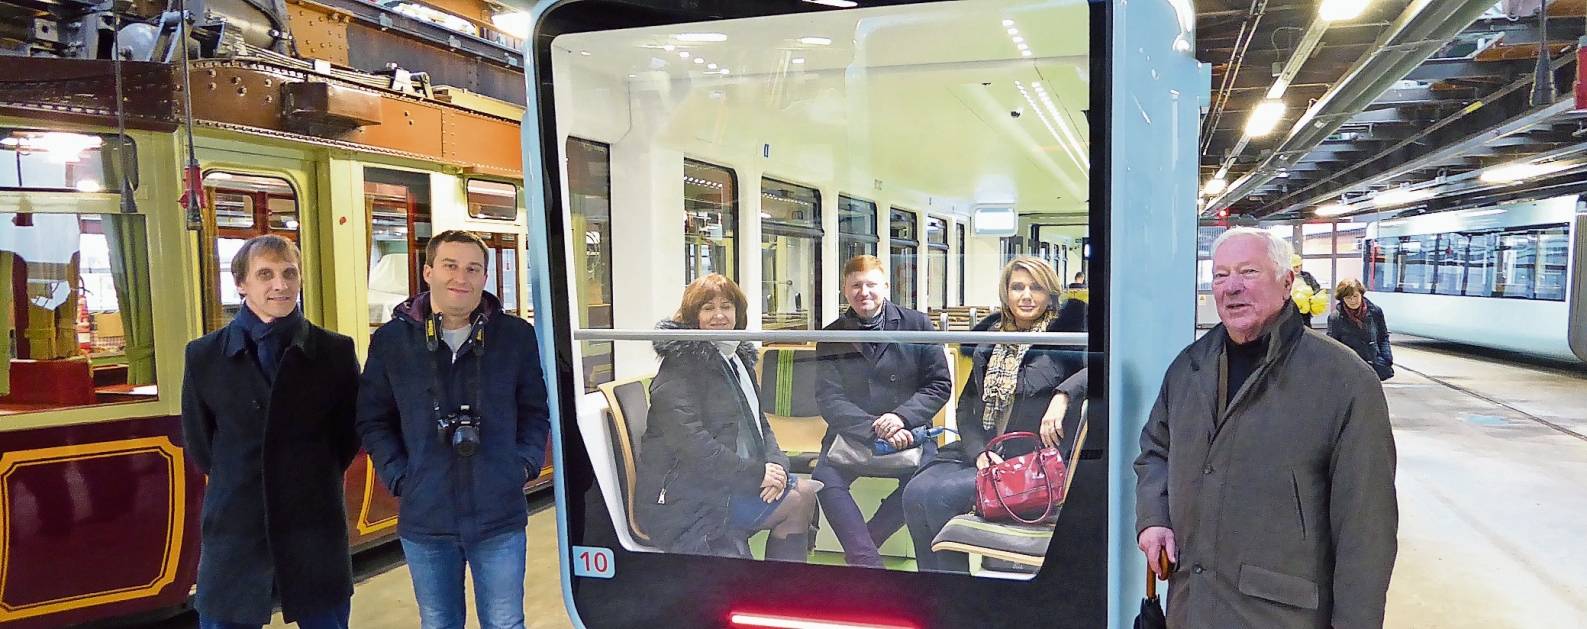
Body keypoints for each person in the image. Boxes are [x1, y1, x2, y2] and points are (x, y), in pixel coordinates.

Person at [1135, 227, 1397, 628]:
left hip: (1279, 617)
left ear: (1287, 282)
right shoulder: (1189, 368)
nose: (1232, 287)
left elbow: (1367, 532)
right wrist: (1154, 517)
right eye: (1221, 275)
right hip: (1191, 607)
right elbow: (1156, 450)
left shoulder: (1343, 381)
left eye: (1248, 272)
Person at [356, 230, 551, 629]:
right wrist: (400, 477)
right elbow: (373, 419)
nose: (461, 277)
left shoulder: (515, 337)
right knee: (439, 622)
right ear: (428, 272)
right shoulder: (392, 341)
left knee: (505, 622)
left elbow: (535, 411)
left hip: (499, 516)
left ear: (484, 278)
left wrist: (522, 467)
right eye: (450, 266)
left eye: (472, 268)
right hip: (426, 518)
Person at [180, 235, 360, 629]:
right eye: (265, 274)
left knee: (325, 618)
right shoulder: (204, 355)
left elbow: (348, 435)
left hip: (314, 520)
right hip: (235, 523)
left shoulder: (334, 352)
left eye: (289, 273)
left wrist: (308, 472)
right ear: (241, 283)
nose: (280, 285)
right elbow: (200, 440)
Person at [902, 256, 1085, 573]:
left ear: (1050, 294)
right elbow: (965, 408)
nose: (1026, 296)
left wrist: (1063, 394)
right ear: (1006, 293)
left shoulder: (1068, 335)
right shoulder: (990, 342)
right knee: (914, 494)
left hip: (1028, 460)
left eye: (1036, 288)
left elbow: (1100, 367)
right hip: (985, 450)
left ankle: (954, 599)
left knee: (940, 498)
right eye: (1017, 287)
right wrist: (979, 452)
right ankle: (934, 592)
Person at [634, 273, 822, 561]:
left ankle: (781, 592)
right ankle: (773, 591)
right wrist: (756, 474)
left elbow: (760, 425)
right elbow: (694, 447)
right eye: (708, 309)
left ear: (738, 313)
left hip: (726, 482)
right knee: (798, 499)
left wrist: (777, 466)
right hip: (685, 499)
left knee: (803, 495)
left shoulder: (735, 360)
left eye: (726, 307)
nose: (719, 316)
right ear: (692, 317)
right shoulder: (678, 368)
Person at [813, 255, 952, 568]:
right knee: (824, 478)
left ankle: (867, 541)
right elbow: (829, 398)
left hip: (910, 430)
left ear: (885, 287)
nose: (864, 292)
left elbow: (939, 385)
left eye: (871, 284)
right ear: (845, 291)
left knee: (921, 485)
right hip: (854, 432)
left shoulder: (918, 326)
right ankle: (866, 561)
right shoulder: (832, 336)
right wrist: (875, 427)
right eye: (856, 285)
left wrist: (901, 418)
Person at [1327, 278, 1394, 381]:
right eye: (1348, 298)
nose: (1352, 301)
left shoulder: (1375, 311)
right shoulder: (1335, 317)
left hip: (1373, 367)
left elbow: (1383, 336)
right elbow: (1332, 346)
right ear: (1342, 298)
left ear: (1361, 294)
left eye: (1355, 296)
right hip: (1349, 370)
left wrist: (1387, 359)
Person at [1290, 254, 1324, 327]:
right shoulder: (1286, 277)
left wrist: (1311, 298)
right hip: (1291, 310)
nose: (1296, 269)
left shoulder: (1307, 276)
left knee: (1306, 330)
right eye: (1294, 267)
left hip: (1305, 310)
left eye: (1298, 266)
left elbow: (1316, 288)